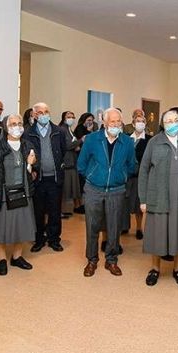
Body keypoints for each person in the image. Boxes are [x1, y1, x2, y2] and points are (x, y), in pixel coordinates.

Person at [139, 110, 178, 286]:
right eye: (168, 121)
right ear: (162, 124)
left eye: (175, 120)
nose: (172, 123)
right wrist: (143, 199)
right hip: (159, 195)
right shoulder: (154, 142)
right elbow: (143, 170)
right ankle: (155, 269)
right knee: (158, 233)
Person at [77, 108, 136, 277]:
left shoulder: (127, 141)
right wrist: (93, 175)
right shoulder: (92, 139)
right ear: (104, 122)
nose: (116, 124)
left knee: (114, 227)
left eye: (119, 121)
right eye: (112, 121)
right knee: (92, 226)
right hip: (94, 189)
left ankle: (111, 260)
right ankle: (92, 260)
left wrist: (121, 176)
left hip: (117, 190)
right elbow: (81, 164)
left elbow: (131, 165)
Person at [0, 114, 37, 275]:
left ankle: (17, 257)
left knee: (22, 226)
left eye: (19, 123)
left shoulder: (28, 145)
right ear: (5, 127)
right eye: (13, 124)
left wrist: (31, 165)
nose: (17, 127)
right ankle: (2, 258)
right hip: (1, 193)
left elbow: (33, 172)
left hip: (23, 191)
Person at [24, 102, 66, 253]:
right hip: (38, 179)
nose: (44, 115)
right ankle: (39, 239)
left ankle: (54, 239)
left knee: (55, 211)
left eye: (46, 111)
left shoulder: (58, 131)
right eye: (40, 112)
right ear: (35, 115)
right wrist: (32, 169)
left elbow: (63, 150)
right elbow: (26, 153)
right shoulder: (28, 132)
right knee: (38, 211)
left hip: (55, 178)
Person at [123, 114, 148, 240]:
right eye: (138, 121)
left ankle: (139, 228)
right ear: (133, 124)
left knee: (138, 202)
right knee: (125, 201)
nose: (140, 123)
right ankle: (124, 226)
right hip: (126, 175)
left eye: (142, 121)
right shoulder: (126, 138)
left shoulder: (149, 139)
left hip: (140, 176)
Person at [58, 111, 83, 218]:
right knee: (64, 189)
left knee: (70, 189)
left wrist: (76, 145)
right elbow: (67, 145)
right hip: (66, 163)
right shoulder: (63, 129)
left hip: (72, 161)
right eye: (69, 117)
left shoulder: (69, 130)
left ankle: (65, 210)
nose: (71, 118)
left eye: (73, 117)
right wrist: (81, 140)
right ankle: (60, 211)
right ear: (64, 118)